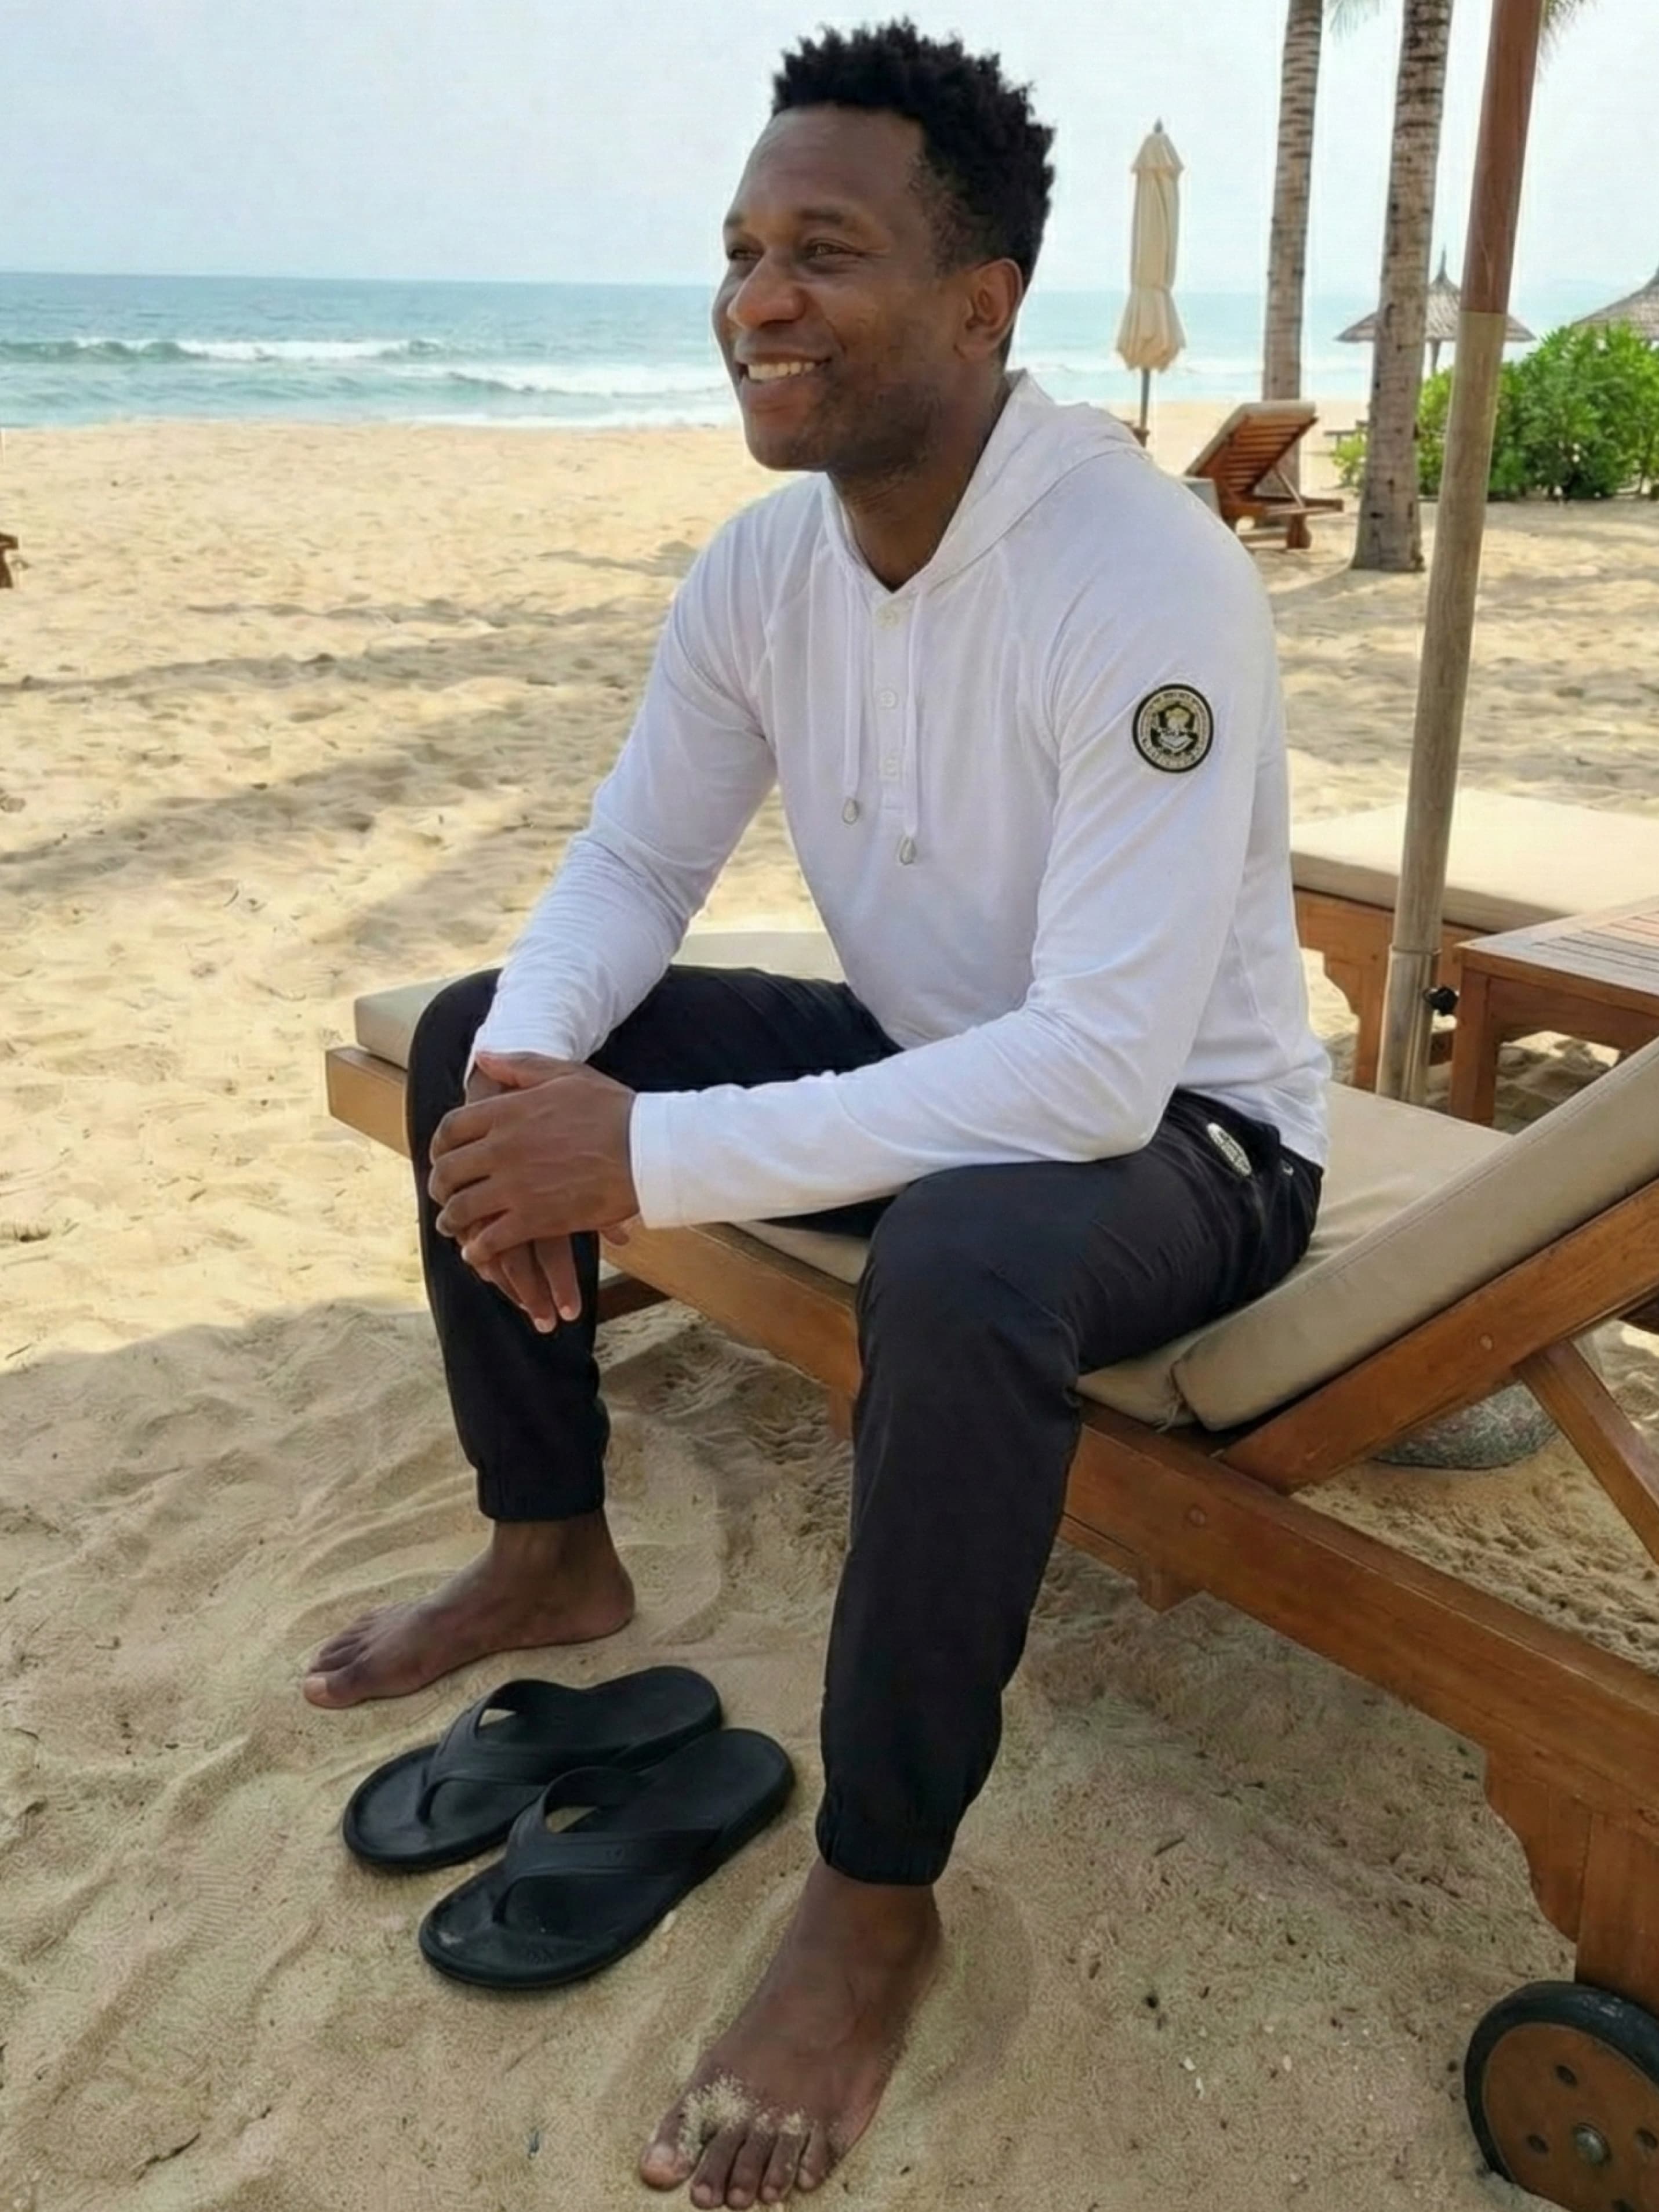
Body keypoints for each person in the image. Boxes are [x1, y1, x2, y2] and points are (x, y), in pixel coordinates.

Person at [307, 21, 1328, 2206]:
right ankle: (550, 1548)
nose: (759, 296)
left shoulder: (1135, 574)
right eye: (745, 248)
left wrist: (644, 1157)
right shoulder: (765, 569)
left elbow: (1099, 1069)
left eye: (825, 253)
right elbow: (633, 871)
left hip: (1186, 1142)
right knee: (488, 1024)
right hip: (922, 1056)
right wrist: (534, 1078)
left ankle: (877, 1892)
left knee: (965, 1251)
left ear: (984, 305)